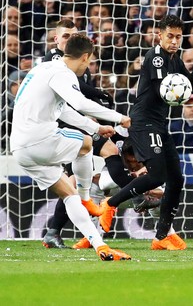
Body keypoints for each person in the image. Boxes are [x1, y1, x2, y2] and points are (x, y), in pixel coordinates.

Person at [10, 33, 131, 261]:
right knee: (85, 144)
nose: (88, 66)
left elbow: (63, 110)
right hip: (39, 138)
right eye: (90, 61)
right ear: (85, 57)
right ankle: (87, 198)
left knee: (68, 194)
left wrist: (96, 127)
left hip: (21, 149)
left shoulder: (43, 68)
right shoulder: (63, 74)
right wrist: (120, 118)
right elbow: (80, 103)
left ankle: (100, 246)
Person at [98, 15, 193, 251]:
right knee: (158, 176)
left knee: (177, 179)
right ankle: (111, 203)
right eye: (170, 36)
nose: (174, 41)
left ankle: (161, 236)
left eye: (178, 37)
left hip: (159, 124)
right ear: (159, 35)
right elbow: (168, 89)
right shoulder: (156, 57)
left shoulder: (175, 59)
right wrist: (190, 82)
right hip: (143, 122)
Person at [42, 19, 131, 249]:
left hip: (80, 121)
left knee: (106, 152)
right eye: (65, 36)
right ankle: (130, 195)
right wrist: (104, 102)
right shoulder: (54, 62)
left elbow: (82, 96)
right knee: (72, 180)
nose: (70, 39)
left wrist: (95, 118)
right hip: (62, 126)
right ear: (56, 39)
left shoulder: (78, 60)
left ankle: (127, 195)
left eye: (73, 35)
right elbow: (77, 95)